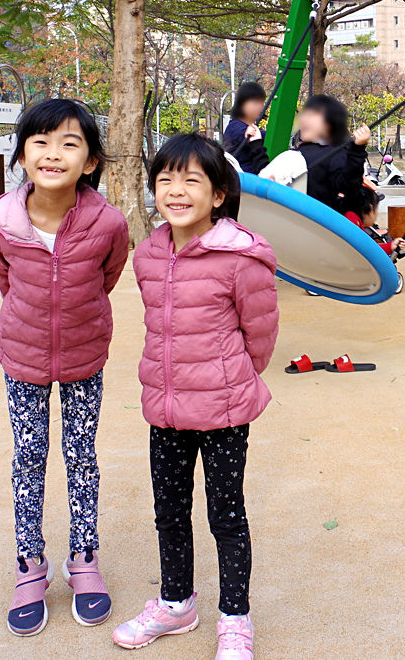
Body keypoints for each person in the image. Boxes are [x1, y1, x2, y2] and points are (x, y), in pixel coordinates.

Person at [115, 134, 279, 660]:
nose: (176, 190)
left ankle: (234, 618)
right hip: (165, 408)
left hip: (224, 411)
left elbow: (261, 334)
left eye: (191, 180)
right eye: (165, 180)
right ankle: (176, 602)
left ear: (217, 195)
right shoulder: (147, 254)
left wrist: (232, 379)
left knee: (226, 515)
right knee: (169, 511)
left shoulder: (240, 257)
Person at [0, 99, 130, 637]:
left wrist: (72, 318)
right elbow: (6, 280)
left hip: (85, 356)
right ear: (21, 155)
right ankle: (29, 566)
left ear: (90, 162)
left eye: (70, 143)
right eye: (40, 142)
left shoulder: (109, 223)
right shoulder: (2, 222)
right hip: (23, 356)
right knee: (29, 458)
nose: (53, 153)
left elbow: (106, 276)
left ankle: (83, 559)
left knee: (81, 455)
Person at [293, 94, 371, 214]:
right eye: (304, 115)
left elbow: (348, 187)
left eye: (311, 115)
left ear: (330, 123)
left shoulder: (335, 154)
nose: (303, 120)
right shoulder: (297, 151)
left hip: (314, 223)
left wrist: (357, 150)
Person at [222, 81, 268, 174]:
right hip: (243, 182)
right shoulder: (235, 127)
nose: (261, 107)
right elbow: (254, 135)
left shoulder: (241, 126)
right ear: (241, 104)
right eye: (255, 103)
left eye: (262, 103)